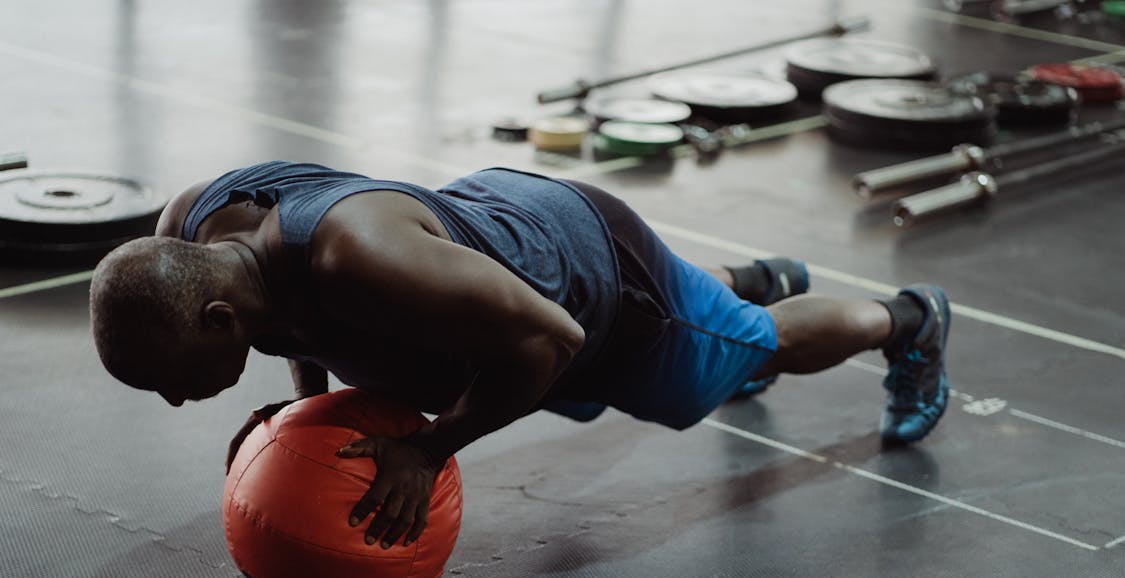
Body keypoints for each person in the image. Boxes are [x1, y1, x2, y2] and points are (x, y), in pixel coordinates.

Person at [89, 161, 950, 552]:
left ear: (212, 317)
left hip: (595, 282)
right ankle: (748, 279)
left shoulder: (358, 261)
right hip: (498, 240)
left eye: (169, 379)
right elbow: (295, 320)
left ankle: (907, 321)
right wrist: (303, 410)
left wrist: (429, 453)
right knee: (680, 321)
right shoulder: (197, 226)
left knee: (747, 353)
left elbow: (552, 341)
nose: (175, 401)